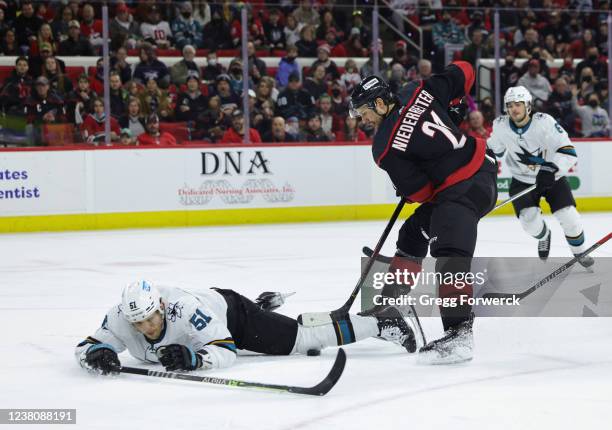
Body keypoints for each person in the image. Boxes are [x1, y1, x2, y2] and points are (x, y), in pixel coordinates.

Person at [347, 61, 498, 364]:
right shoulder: (417, 90)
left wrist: (408, 185)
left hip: (464, 189)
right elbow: (465, 69)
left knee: (448, 252)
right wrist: (454, 104)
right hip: (483, 169)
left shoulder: (385, 146)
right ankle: (388, 309)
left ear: (379, 102)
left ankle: (459, 335)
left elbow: (420, 194)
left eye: (365, 112)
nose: (363, 119)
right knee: (412, 234)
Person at [75, 280, 416, 374]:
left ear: (162, 307)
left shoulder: (185, 310)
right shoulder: (123, 316)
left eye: (151, 319)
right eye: (139, 323)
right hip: (210, 313)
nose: (147, 328)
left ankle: (380, 321)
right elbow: (88, 345)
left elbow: (226, 350)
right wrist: (98, 354)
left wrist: (194, 360)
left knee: (304, 341)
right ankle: (264, 306)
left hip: (230, 315)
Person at [487, 86, 594, 267]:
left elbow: (567, 150)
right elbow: (493, 151)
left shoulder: (544, 122)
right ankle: (544, 236)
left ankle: (580, 252)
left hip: (552, 178)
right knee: (530, 223)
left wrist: (552, 169)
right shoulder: (500, 126)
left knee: (570, 217)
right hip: (521, 180)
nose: (514, 109)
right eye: (510, 105)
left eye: (518, 104)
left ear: (528, 105)